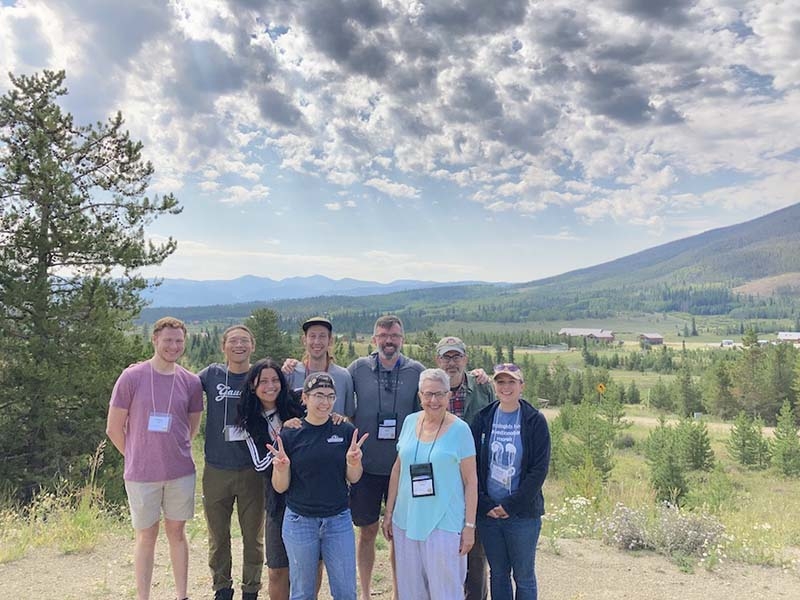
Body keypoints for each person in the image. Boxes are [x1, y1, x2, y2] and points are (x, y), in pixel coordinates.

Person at [106, 316, 204, 600]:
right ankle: (143, 596)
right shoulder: (132, 377)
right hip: (141, 474)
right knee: (146, 536)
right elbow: (114, 428)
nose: (173, 346)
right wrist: (136, 454)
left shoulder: (191, 382)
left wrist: (176, 449)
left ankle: (182, 594)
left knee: (177, 533)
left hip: (180, 472)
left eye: (178, 341)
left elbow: (192, 427)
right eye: (168, 340)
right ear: (155, 340)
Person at [268, 372, 369, 600]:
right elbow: (280, 487)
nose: (325, 402)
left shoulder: (343, 431)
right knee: (302, 592)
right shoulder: (291, 433)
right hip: (299, 521)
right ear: (305, 397)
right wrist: (281, 469)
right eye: (319, 395)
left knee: (345, 592)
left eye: (330, 396)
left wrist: (354, 462)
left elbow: (353, 477)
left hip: (338, 521)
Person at [381, 368, 478, 600]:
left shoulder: (461, 430)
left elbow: (471, 481)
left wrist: (469, 527)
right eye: (428, 394)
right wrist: (389, 513)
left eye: (439, 394)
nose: (433, 400)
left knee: (445, 592)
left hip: (443, 523)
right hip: (406, 520)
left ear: (449, 396)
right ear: (419, 396)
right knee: (411, 592)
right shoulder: (409, 422)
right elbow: (398, 468)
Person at [346, 315, 424, 600]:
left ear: (402, 339)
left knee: (399, 535)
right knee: (366, 531)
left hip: (402, 468)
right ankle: (365, 593)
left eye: (394, 336)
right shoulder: (357, 369)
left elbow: (425, 416)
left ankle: (398, 593)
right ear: (374, 338)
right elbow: (340, 407)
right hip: (365, 468)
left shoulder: (416, 371)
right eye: (383, 335)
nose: (388, 341)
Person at [471, 364, 551, 600]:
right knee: (498, 573)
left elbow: (538, 470)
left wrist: (511, 505)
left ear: (521, 386)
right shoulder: (483, 418)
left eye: (511, 382)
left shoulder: (534, 420)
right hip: (489, 515)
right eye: (501, 382)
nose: (506, 387)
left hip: (523, 515)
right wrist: (486, 505)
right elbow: (472, 465)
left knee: (524, 576)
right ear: (494, 386)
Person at [199, 325, 264, 600]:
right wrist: (144, 369)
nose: (239, 345)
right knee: (218, 536)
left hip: (253, 469)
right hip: (216, 468)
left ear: (253, 346)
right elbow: (175, 380)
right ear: (223, 346)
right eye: (233, 341)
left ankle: (251, 590)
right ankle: (222, 588)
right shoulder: (211, 375)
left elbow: (291, 396)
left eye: (245, 341)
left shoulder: (261, 376)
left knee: (253, 537)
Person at [238, 358, 306, 600]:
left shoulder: (298, 403)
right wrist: (283, 435)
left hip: (307, 492)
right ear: (252, 386)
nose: (270, 385)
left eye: (275, 380)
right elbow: (260, 464)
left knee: (308, 567)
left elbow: (323, 407)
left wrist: (338, 419)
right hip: (277, 501)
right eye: (263, 381)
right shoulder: (249, 419)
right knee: (277, 568)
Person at [434, 336, 495, 600]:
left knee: (475, 551)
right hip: (440, 481)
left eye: (456, 356)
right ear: (438, 361)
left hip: (475, 479)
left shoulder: (483, 388)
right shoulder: (431, 389)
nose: (451, 362)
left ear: (466, 360)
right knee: (442, 550)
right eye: (446, 357)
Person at [283, 316, 354, 417]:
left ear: (330, 340)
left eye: (322, 336)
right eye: (312, 336)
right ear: (304, 340)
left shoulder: (343, 376)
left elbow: (349, 416)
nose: (317, 342)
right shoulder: (291, 373)